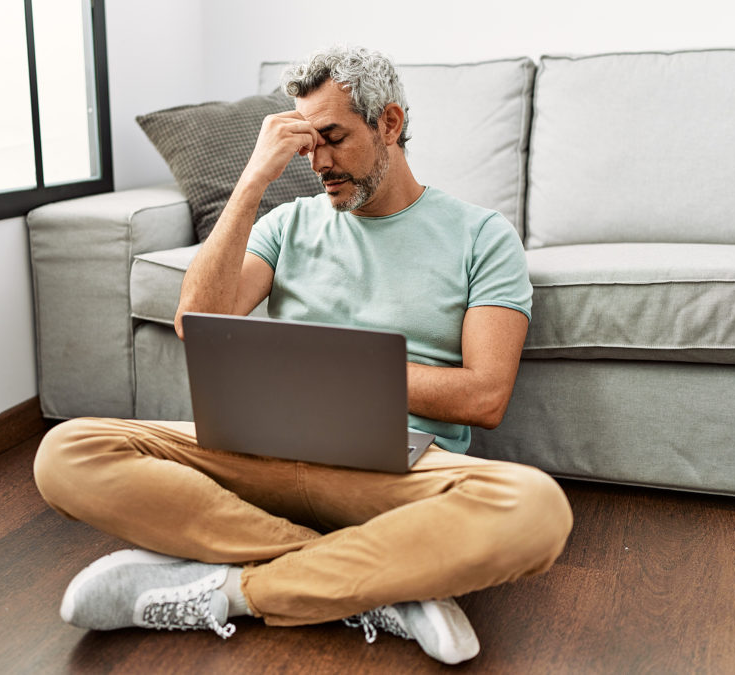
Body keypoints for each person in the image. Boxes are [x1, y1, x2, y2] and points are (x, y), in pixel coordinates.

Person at [33, 45, 573, 665]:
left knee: (535, 510)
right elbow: (198, 322)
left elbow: (484, 397)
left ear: (389, 124)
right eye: (304, 143)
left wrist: (349, 375)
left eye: (334, 138)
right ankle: (377, 580)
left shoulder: (482, 236)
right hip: (262, 455)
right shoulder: (285, 224)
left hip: (399, 467)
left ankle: (235, 590)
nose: (318, 162)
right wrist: (253, 179)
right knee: (68, 451)